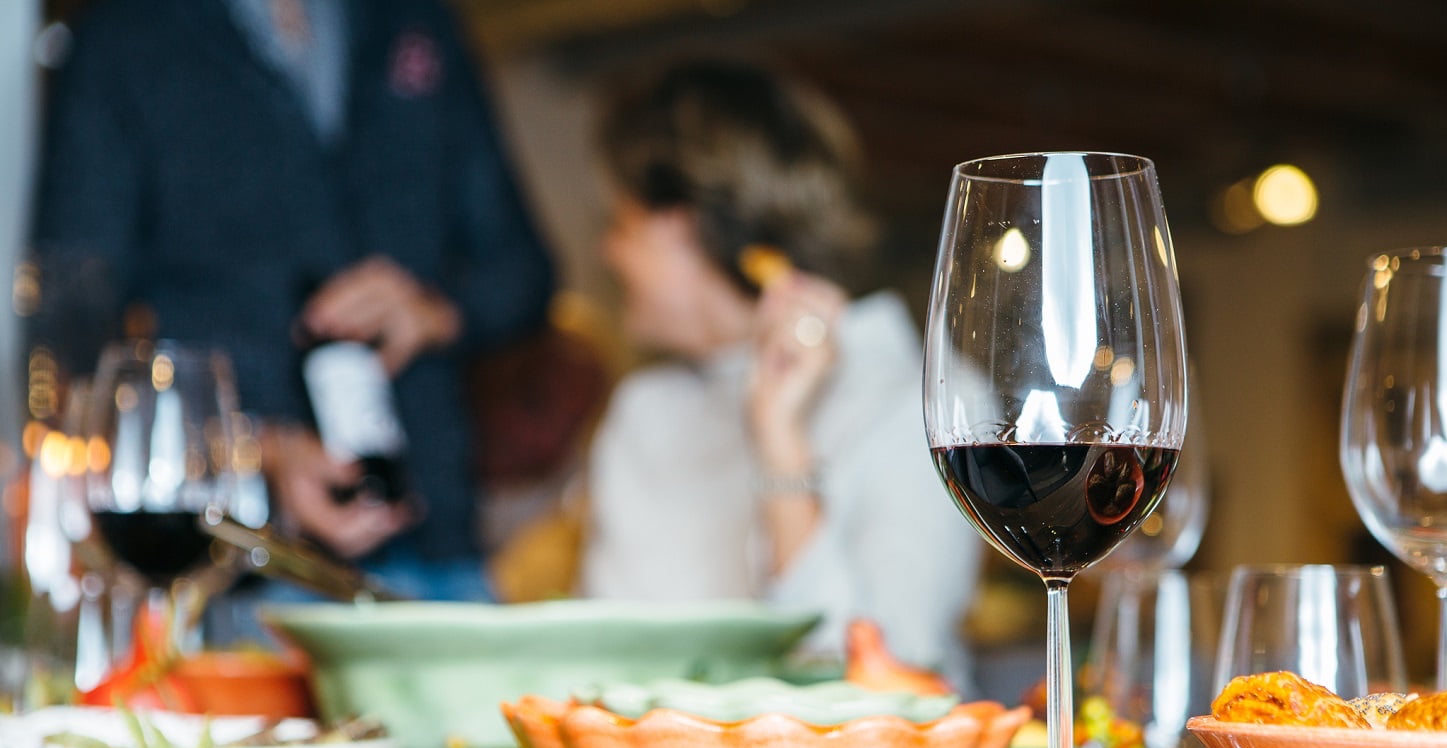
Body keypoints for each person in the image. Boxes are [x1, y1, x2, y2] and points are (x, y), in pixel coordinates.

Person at [29, 0, 555, 601]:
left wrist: (436, 312)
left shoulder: (416, 20)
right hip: (242, 568)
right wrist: (259, 451)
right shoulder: (126, 42)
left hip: (437, 544)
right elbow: (70, 330)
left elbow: (524, 272)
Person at [580, 59, 983, 685]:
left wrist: (780, 444)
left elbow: (892, 680)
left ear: (685, 225)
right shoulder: (644, 408)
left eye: (620, 221)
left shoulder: (925, 400)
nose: (608, 250)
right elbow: (604, 667)